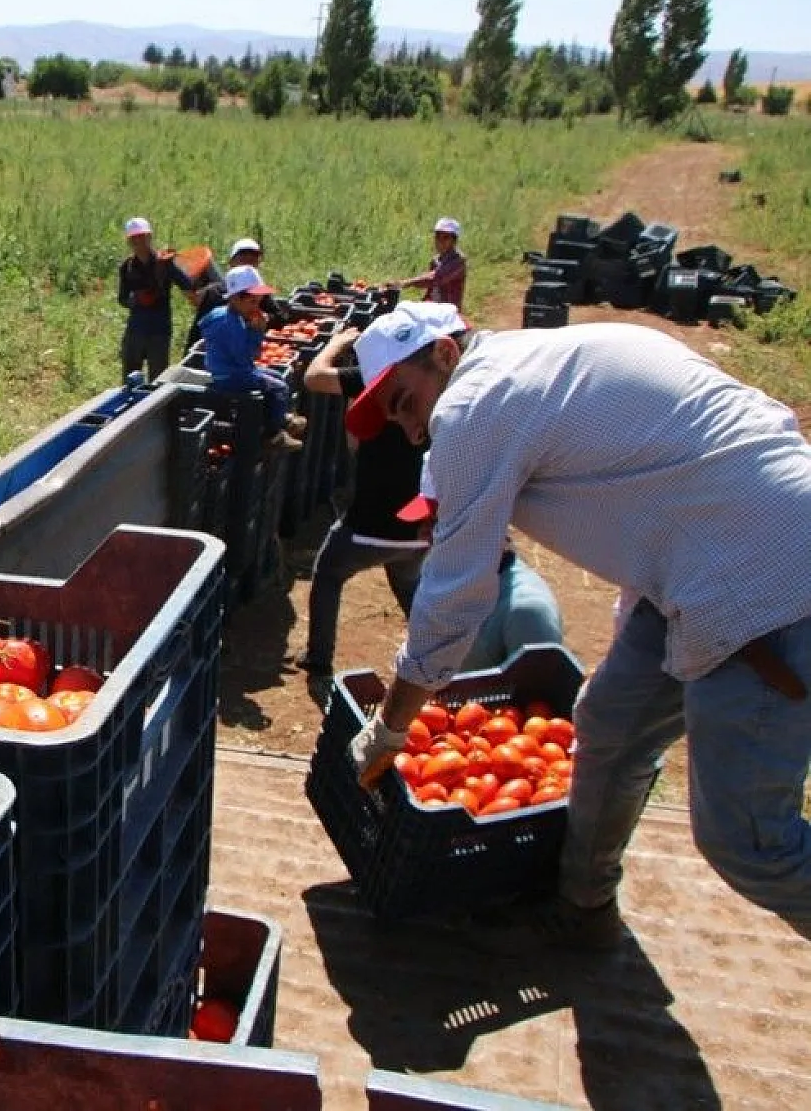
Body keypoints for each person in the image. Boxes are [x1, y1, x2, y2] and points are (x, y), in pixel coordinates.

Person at [341, 304, 811, 948]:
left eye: (405, 402)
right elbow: (658, 502)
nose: (411, 428)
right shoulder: (547, 369)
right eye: (395, 419)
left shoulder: (474, 401)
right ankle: (584, 908)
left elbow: (453, 594)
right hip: (708, 562)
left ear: (445, 354)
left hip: (769, 582)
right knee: (611, 726)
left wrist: (393, 726)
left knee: (750, 841)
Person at [292, 325, 429, 689]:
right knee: (408, 583)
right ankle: (431, 657)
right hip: (417, 527)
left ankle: (319, 660)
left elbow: (315, 377)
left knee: (328, 574)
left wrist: (335, 344)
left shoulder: (373, 377)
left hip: (367, 527)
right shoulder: (435, 387)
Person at [395, 454, 566, 672]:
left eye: (436, 521)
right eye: (424, 522)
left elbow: (538, 693)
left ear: (481, 518)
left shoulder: (526, 613)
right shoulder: (438, 582)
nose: (423, 534)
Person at [196, 266, 303, 453]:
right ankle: (274, 435)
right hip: (232, 376)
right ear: (235, 298)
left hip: (225, 370)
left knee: (277, 375)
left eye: (258, 302)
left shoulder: (224, 315)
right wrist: (256, 332)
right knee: (279, 387)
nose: (256, 308)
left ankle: (280, 417)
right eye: (252, 302)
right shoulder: (232, 324)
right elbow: (247, 357)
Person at [117, 217, 193, 382]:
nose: (139, 242)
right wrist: (136, 300)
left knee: (158, 381)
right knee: (130, 380)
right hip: (135, 329)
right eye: (135, 238)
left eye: (142, 237)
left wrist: (173, 265)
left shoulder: (164, 263)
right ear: (129, 242)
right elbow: (122, 298)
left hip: (159, 330)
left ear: (150, 237)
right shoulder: (127, 267)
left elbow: (187, 284)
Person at [186, 238, 264, 348]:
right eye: (243, 257)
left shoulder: (257, 290)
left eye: (253, 259)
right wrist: (255, 331)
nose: (248, 263)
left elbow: (278, 316)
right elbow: (243, 352)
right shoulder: (216, 298)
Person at [400, 217, 466, 310]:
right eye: (438, 236)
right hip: (433, 308)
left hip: (448, 312)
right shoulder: (436, 260)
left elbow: (435, 278)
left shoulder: (459, 261)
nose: (440, 241)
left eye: (446, 237)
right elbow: (431, 289)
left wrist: (406, 283)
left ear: (454, 241)